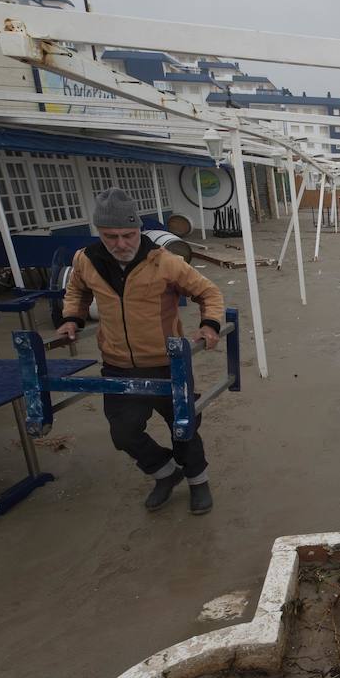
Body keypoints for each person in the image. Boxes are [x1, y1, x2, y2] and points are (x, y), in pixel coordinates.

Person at [56, 187, 225, 514]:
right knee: (123, 433)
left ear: (139, 230)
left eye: (128, 235)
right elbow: (76, 290)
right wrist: (71, 318)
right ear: (99, 233)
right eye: (111, 236)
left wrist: (210, 325)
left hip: (167, 363)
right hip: (118, 365)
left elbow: (209, 293)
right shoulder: (85, 260)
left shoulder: (165, 262)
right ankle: (164, 473)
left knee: (184, 427)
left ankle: (198, 482)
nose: (121, 243)